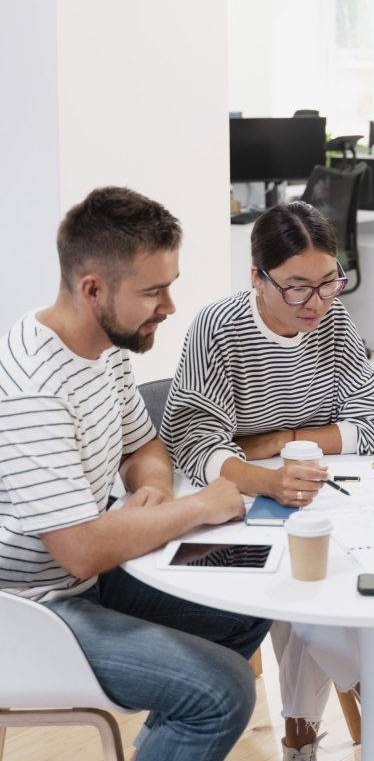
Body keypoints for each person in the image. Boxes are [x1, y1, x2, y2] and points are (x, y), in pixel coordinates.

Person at [162, 201, 374, 760]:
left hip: (329, 493)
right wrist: (263, 478)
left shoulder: (334, 322)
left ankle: (302, 740)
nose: (316, 303)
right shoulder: (218, 329)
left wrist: (274, 440)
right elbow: (194, 442)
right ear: (257, 278)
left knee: (320, 584)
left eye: (328, 283)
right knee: (302, 592)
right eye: (296, 287)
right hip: (243, 503)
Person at [0, 187, 269, 761]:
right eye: (153, 291)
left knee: (254, 594)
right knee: (222, 691)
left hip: (86, 575)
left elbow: (144, 443)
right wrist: (196, 506)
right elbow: (77, 550)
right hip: (31, 611)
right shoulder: (32, 391)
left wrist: (151, 490)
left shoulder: (106, 346)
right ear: (93, 288)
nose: (170, 306)